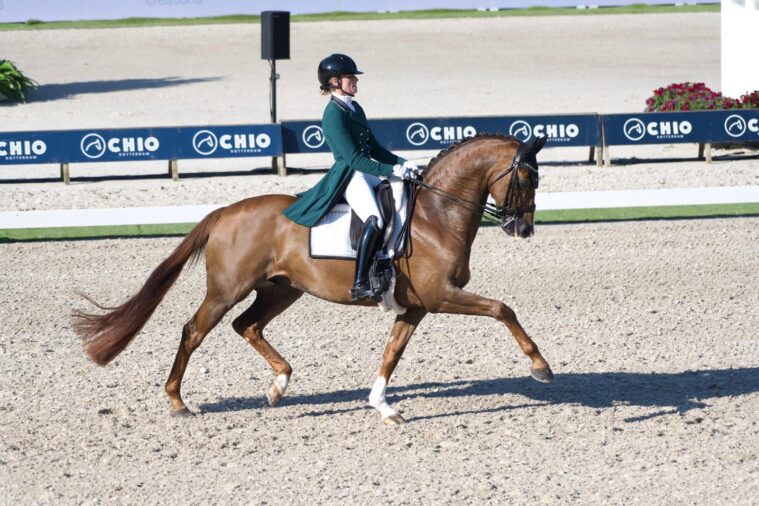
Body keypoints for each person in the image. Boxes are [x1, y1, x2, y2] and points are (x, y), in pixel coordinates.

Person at [283, 53, 420, 301]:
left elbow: (375, 149)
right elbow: (353, 159)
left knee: (404, 193)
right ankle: (360, 281)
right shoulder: (333, 113)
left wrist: (402, 163)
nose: (356, 80)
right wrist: (390, 170)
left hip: (366, 171)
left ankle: (388, 257)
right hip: (349, 176)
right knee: (375, 218)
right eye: (350, 77)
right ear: (334, 81)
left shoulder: (354, 107)